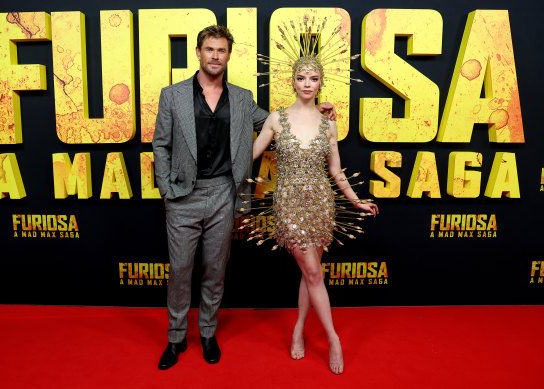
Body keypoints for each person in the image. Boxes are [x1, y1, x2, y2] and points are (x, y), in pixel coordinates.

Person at [152, 25, 336, 370]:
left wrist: (312, 109)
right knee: (179, 270)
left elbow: (279, 122)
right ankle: (176, 337)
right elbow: (160, 144)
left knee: (215, 270)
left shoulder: (240, 97)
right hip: (182, 196)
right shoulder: (172, 95)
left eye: (221, 51)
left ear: (228, 56)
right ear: (198, 52)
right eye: (209, 50)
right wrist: (166, 188)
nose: (215, 56)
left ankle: (208, 333)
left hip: (224, 192)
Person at [252, 55, 379, 374]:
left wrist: (354, 200)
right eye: (301, 78)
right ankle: (334, 339)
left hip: (322, 202)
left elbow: (336, 171)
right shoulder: (276, 119)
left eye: (313, 79)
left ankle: (298, 329)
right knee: (313, 273)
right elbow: (250, 155)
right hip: (289, 202)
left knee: (312, 275)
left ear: (321, 83)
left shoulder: (329, 122)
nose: (307, 84)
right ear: (292, 81)